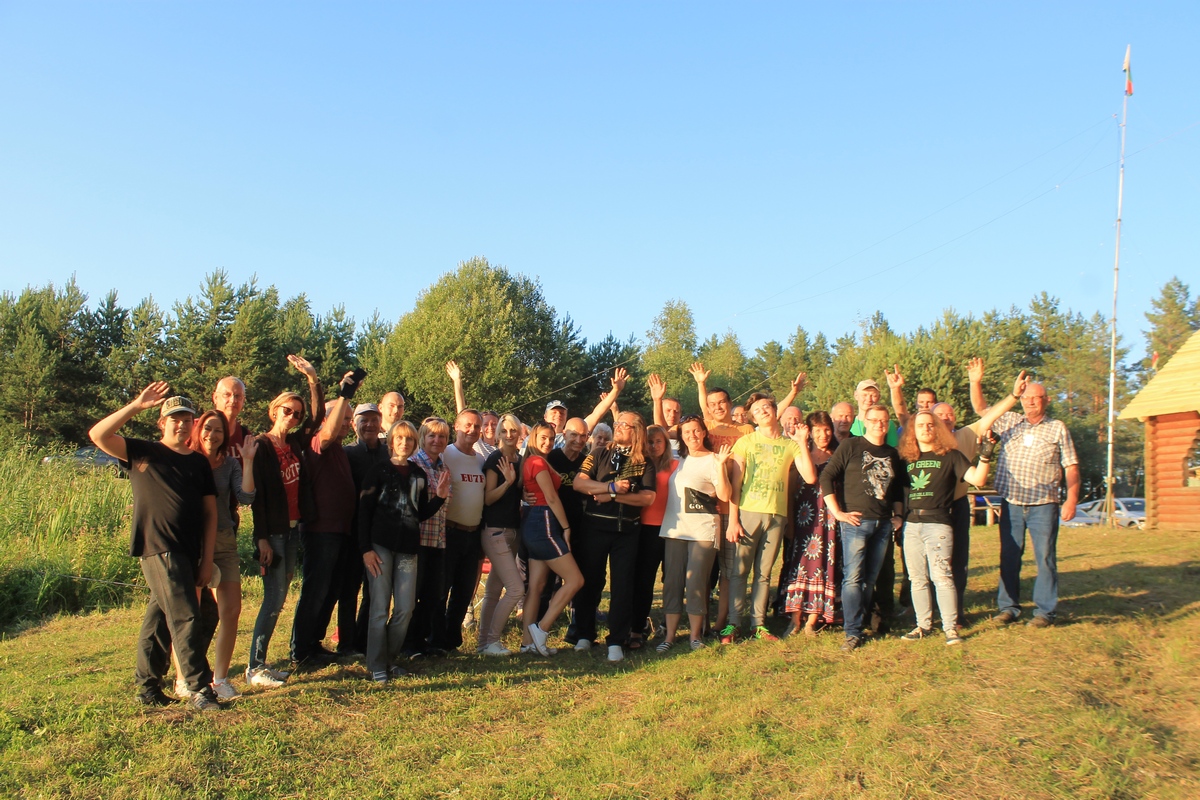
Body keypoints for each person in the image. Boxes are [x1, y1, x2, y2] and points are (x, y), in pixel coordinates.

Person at [89, 385, 220, 711]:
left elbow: (210, 513)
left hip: (189, 551)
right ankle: (199, 688)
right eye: (174, 419)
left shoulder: (199, 463)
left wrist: (206, 559)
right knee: (187, 616)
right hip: (158, 546)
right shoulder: (142, 452)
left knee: (161, 618)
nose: (182, 425)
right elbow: (98, 434)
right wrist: (136, 406)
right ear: (162, 423)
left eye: (187, 419)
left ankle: (148, 688)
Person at [891, 361, 1028, 621]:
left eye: (950, 414)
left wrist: (1014, 395)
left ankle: (955, 610)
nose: (946, 418)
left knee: (957, 560)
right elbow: (901, 414)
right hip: (923, 508)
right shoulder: (917, 443)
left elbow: (991, 417)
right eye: (940, 415)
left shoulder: (964, 436)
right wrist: (896, 389)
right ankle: (917, 610)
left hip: (956, 505)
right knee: (918, 562)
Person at [245, 355, 327, 688]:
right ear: (273, 410)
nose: (292, 416)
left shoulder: (294, 443)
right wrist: (261, 538)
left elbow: (318, 417)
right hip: (274, 534)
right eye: (287, 411)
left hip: (293, 531)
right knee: (273, 599)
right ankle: (255, 667)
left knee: (279, 598)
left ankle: (260, 664)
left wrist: (312, 379)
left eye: (296, 413)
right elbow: (258, 498)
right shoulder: (262, 446)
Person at [978, 379, 1080, 627]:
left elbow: (1071, 466)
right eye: (1026, 397)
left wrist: (1071, 500)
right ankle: (1008, 608)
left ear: (1047, 400)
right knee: (1009, 556)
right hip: (1012, 502)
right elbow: (981, 409)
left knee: (1044, 557)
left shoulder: (1057, 427)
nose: (1030, 401)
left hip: (1044, 504)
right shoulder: (1010, 421)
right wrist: (976, 381)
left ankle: (1045, 612)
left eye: (1036, 397)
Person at [358, 420, 450, 683]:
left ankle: (389, 659)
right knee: (379, 607)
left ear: (414, 443)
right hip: (380, 547)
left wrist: (440, 497)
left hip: (408, 549)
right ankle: (376, 664)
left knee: (405, 608)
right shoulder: (378, 470)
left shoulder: (418, 474)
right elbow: (363, 512)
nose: (404, 443)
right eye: (399, 438)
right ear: (391, 442)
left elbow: (418, 513)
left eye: (409, 439)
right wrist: (365, 549)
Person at [896, 411, 994, 646]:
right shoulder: (906, 459)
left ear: (938, 428)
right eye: (920, 425)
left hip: (938, 524)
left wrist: (985, 456)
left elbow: (978, 480)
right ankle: (922, 625)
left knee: (941, 576)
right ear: (912, 431)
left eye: (931, 424)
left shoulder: (951, 456)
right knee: (917, 578)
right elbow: (898, 493)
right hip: (912, 525)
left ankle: (950, 628)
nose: (926, 428)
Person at [723, 393, 815, 643]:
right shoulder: (745, 442)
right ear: (753, 418)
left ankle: (758, 625)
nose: (763, 411)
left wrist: (802, 442)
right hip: (748, 513)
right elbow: (736, 484)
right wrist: (733, 520)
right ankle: (733, 624)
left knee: (763, 574)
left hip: (777, 515)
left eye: (766, 406)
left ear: (776, 411)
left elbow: (809, 477)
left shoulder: (790, 445)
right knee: (739, 571)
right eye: (757, 410)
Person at [291, 371, 363, 670]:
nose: (347, 423)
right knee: (316, 589)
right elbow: (329, 430)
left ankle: (314, 643)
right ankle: (300, 650)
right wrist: (345, 394)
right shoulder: (319, 442)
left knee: (330, 590)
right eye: (342, 418)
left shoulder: (340, 450)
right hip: (320, 530)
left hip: (340, 531)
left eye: (349, 419)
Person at [571, 411, 657, 662]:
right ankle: (584, 634)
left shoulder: (645, 462)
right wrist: (609, 487)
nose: (617, 427)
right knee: (590, 581)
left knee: (622, 586)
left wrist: (612, 496)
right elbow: (579, 483)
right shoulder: (599, 453)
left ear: (636, 430)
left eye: (623, 425)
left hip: (626, 532)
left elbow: (647, 498)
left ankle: (617, 640)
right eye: (617, 423)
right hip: (594, 528)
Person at [820, 404, 906, 652]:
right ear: (865, 422)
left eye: (884, 420)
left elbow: (897, 490)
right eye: (875, 420)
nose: (879, 424)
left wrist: (899, 516)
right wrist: (837, 512)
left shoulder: (892, 453)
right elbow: (827, 477)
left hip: (883, 524)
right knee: (853, 578)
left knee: (870, 579)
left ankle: (861, 620)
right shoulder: (851, 446)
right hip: (856, 523)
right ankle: (852, 632)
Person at [187, 409, 256, 700]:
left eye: (218, 430)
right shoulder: (187, 460)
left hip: (224, 541)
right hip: (192, 541)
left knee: (231, 611)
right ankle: (184, 678)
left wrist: (248, 461)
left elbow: (246, 497)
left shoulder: (229, 464)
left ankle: (220, 679)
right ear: (198, 430)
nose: (212, 435)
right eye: (207, 428)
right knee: (188, 614)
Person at [658, 416, 732, 652]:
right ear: (681, 436)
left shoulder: (714, 459)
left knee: (696, 584)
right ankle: (669, 636)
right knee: (672, 582)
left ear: (704, 432)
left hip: (702, 531)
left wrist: (721, 466)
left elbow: (724, 495)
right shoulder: (678, 459)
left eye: (696, 430)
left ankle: (695, 636)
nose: (692, 435)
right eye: (687, 432)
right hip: (675, 529)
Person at [521, 422, 585, 656]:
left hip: (533, 522)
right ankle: (541, 629)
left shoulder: (535, 460)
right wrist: (566, 527)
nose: (547, 443)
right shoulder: (537, 462)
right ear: (533, 438)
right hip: (544, 522)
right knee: (575, 580)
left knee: (536, 587)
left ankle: (527, 642)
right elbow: (551, 497)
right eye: (543, 438)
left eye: (550, 438)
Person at [777, 411, 840, 637]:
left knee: (823, 565)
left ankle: (812, 620)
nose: (823, 435)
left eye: (827, 429)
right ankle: (795, 619)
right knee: (799, 563)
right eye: (818, 430)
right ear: (810, 432)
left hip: (829, 520)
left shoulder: (838, 455)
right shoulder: (800, 454)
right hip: (803, 518)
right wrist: (802, 444)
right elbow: (798, 483)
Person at [435, 408, 488, 652]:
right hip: (449, 531)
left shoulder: (480, 460)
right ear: (456, 426)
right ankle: (434, 639)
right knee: (441, 588)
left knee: (464, 591)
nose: (472, 430)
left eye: (476, 426)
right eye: (467, 425)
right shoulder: (445, 454)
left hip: (473, 533)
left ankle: (451, 641)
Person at [477, 413, 525, 655]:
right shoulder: (495, 459)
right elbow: (488, 498)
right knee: (516, 589)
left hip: (514, 530)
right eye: (504, 431)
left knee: (494, 590)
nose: (509, 435)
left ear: (519, 433)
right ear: (497, 434)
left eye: (513, 430)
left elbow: (521, 493)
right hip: (495, 530)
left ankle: (483, 644)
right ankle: (492, 641)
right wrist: (507, 482)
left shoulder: (521, 459)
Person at [629, 423, 679, 649]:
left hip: (669, 529)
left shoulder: (676, 466)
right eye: (650, 441)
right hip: (644, 528)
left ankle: (669, 624)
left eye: (659, 441)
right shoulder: (639, 465)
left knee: (671, 579)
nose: (654, 445)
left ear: (666, 444)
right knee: (643, 580)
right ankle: (637, 627)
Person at [405, 417, 452, 656]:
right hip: (418, 540)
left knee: (433, 595)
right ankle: (407, 643)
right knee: (413, 594)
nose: (437, 440)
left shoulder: (443, 468)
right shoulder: (413, 466)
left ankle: (422, 640)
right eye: (432, 435)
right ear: (422, 438)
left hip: (438, 540)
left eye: (442, 436)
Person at [346, 403, 391, 652]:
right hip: (353, 529)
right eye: (364, 420)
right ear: (355, 424)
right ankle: (347, 642)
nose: (370, 425)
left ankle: (364, 639)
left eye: (374, 420)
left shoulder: (388, 452)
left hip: (381, 530)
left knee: (374, 590)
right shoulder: (348, 453)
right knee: (350, 588)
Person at [849, 379, 899, 446]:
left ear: (879, 397)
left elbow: (893, 449)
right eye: (864, 395)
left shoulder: (887, 425)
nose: (869, 399)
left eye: (873, 396)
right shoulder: (848, 423)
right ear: (856, 395)